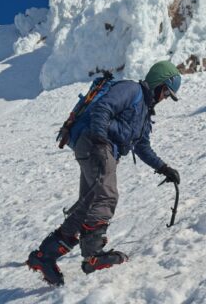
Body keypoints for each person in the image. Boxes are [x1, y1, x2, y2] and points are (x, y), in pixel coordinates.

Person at [27, 60, 182, 286]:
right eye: (166, 92)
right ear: (159, 84)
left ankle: (45, 256)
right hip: (96, 143)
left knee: (88, 205)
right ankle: (93, 256)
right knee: (106, 196)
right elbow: (103, 108)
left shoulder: (144, 114)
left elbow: (142, 146)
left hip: (98, 146)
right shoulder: (132, 90)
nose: (165, 98)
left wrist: (163, 168)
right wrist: (100, 139)